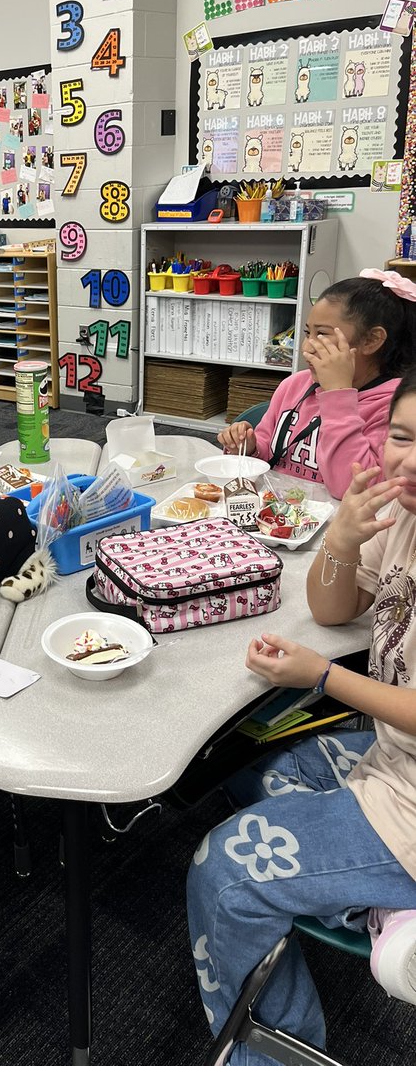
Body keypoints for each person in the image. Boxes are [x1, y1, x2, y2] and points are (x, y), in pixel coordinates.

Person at [188, 370, 416, 1064]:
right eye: (403, 437)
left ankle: (276, 1054)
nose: (408, 459)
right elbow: (330, 609)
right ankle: (387, 911)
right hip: (391, 762)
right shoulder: (404, 511)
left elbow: (329, 652)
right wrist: (343, 538)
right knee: (257, 773)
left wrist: (323, 676)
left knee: (221, 870)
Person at [218, 271, 416, 498]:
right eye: (307, 332)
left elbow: (357, 488)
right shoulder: (295, 385)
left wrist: (338, 394)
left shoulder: (395, 405)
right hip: (279, 514)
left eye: (322, 334)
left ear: (371, 340)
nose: (307, 347)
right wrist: (249, 446)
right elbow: (268, 446)